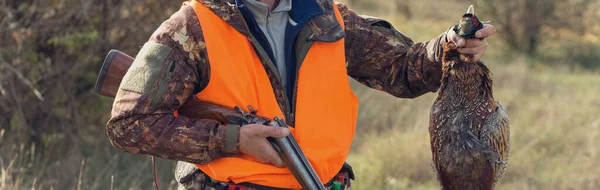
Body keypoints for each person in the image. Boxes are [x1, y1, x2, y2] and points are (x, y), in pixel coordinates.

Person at [106, 0, 496, 189]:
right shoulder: (192, 26)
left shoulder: (328, 16)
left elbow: (405, 70)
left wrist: (451, 46)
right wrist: (232, 139)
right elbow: (129, 124)